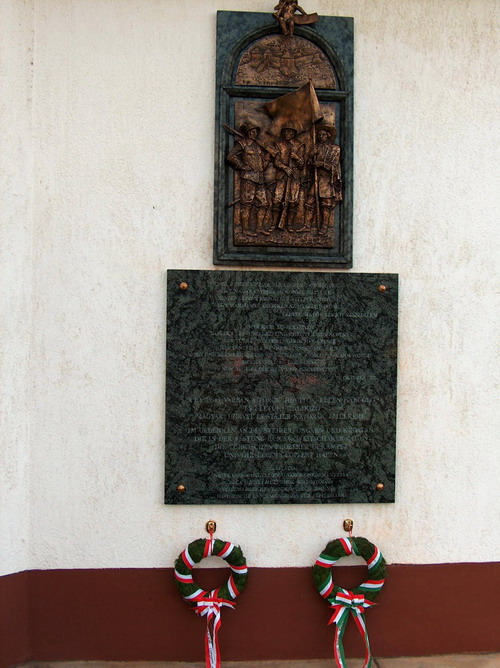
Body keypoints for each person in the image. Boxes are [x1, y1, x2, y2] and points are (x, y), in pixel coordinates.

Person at [227, 123, 271, 236]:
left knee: (263, 204)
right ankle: (246, 229)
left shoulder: (259, 146)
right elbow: (230, 156)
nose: (254, 133)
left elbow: (262, 164)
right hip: (248, 178)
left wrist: (267, 159)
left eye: (255, 131)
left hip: (260, 178)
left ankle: (259, 228)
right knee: (247, 204)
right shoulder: (242, 144)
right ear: (247, 133)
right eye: (251, 131)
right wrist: (241, 165)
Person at [303, 124, 342, 233]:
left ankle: (325, 227)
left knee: (326, 204)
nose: (321, 137)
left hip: (327, 180)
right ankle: (307, 225)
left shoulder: (335, 149)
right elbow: (309, 163)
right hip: (317, 179)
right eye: (319, 135)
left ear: (328, 135)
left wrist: (322, 164)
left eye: (323, 135)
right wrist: (311, 158)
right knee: (309, 202)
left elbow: (335, 166)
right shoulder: (316, 147)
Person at [271, 125, 305, 231]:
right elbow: (276, 161)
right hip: (282, 175)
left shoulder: (300, 146)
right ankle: (274, 224)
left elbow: (302, 165)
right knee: (276, 200)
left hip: (294, 176)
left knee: (293, 201)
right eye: (285, 132)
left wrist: (297, 158)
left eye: (289, 132)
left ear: (294, 133)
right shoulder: (279, 145)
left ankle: (289, 224)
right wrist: (285, 168)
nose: (287, 134)